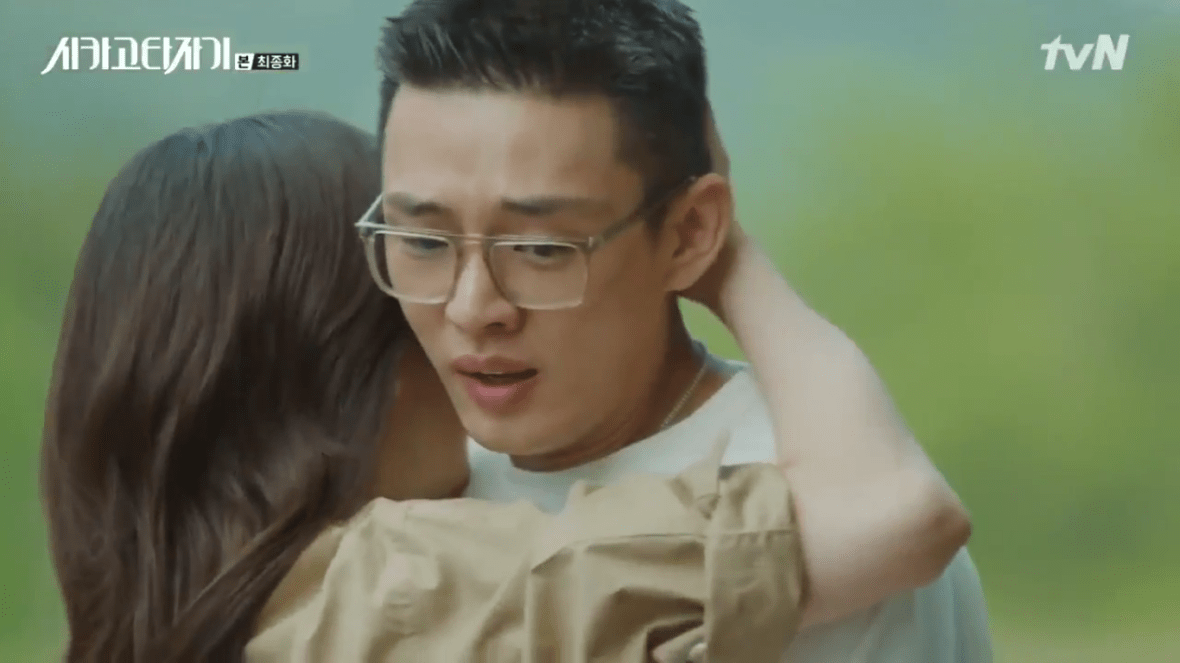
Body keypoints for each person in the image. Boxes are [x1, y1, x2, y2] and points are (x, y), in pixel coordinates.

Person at [37, 109, 892, 663]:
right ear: (351, 375)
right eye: (421, 287)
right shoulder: (411, 580)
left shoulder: (151, 602)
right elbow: (886, 517)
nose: (470, 323)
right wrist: (723, 258)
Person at [372, 0, 992, 660]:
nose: (472, 308)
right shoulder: (403, 476)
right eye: (423, 240)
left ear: (690, 232)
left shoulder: (829, 518)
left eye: (543, 248)